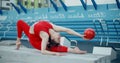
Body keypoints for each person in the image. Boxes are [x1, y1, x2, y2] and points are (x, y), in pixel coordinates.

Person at [16, 19, 87, 56]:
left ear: (52, 38)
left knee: (52, 48)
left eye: (58, 39)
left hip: (35, 41)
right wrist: (80, 35)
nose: (60, 37)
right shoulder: (51, 27)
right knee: (19, 22)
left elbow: (43, 51)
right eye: (60, 38)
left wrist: (80, 36)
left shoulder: (46, 35)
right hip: (34, 36)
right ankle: (18, 42)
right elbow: (67, 30)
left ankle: (74, 50)